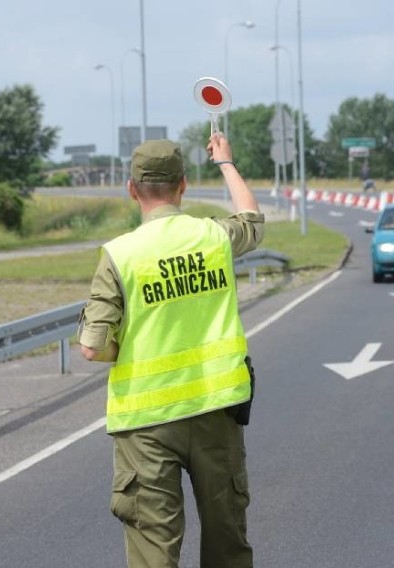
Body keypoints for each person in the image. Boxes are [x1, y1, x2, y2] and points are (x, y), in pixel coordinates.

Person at [78, 133, 264, 568]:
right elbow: (253, 221)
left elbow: (93, 346)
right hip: (216, 409)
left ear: (131, 189)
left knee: (154, 551)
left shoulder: (120, 255)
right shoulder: (212, 237)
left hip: (145, 424)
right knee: (226, 540)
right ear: (183, 185)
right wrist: (226, 164)